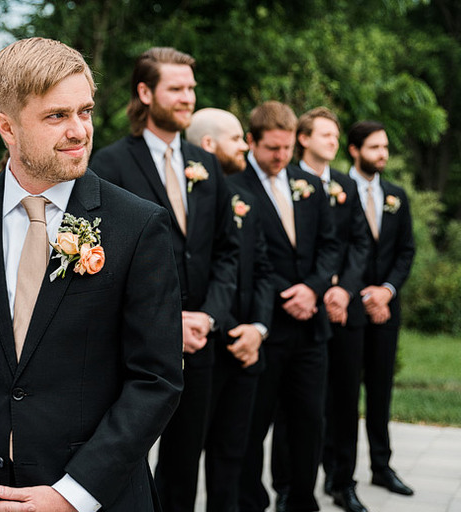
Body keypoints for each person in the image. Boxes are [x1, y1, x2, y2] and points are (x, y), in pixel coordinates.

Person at [0, 37, 184, 512]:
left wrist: (72, 495)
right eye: (56, 116)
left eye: (85, 111)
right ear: (6, 127)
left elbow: (156, 381)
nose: (79, 130)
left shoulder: (138, 225)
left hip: (99, 499)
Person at [91, 48, 240, 512]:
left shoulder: (206, 164)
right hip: (133, 347)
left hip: (199, 342)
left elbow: (226, 251)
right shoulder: (110, 165)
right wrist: (168, 323)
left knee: (183, 463)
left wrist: (208, 317)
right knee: (122, 462)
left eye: (191, 88)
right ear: (145, 92)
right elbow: (103, 263)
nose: (188, 97)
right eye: (176, 88)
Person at [231, 101, 338, 512]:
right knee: (252, 425)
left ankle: (299, 500)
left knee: (309, 421)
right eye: (272, 148)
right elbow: (243, 258)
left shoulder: (308, 184)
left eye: (287, 148)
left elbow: (330, 246)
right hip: (265, 326)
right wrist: (285, 295)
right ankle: (250, 502)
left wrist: (312, 289)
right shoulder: (235, 188)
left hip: (311, 329)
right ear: (251, 141)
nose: (281, 156)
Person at [275, 107, 370, 512]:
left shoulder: (346, 184)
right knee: (293, 405)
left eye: (336, 135)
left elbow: (360, 243)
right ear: (304, 138)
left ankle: (342, 481)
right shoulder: (285, 179)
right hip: (299, 307)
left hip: (342, 310)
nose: (334, 141)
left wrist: (343, 291)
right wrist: (318, 289)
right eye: (325, 134)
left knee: (345, 399)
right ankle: (287, 487)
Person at [187, 108, 275, 512]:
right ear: (209, 144)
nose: (245, 147)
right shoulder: (185, 198)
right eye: (237, 139)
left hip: (245, 351)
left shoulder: (248, 201)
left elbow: (263, 270)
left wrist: (258, 329)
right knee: (182, 461)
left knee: (233, 457)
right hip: (199, 347)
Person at [347, 120, 416, 498]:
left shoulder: (396, 196)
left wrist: (386, 292)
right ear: (354, 150)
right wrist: (362, 295)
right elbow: (334, 249)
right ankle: (339, 474)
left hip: (386, 310)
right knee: (342, 395)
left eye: (385, 147)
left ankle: (381, 466)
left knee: (380, 390)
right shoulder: (336, 192)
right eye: (375, 147)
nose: (383, 154)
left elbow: (406, 251)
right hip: (348, 308)